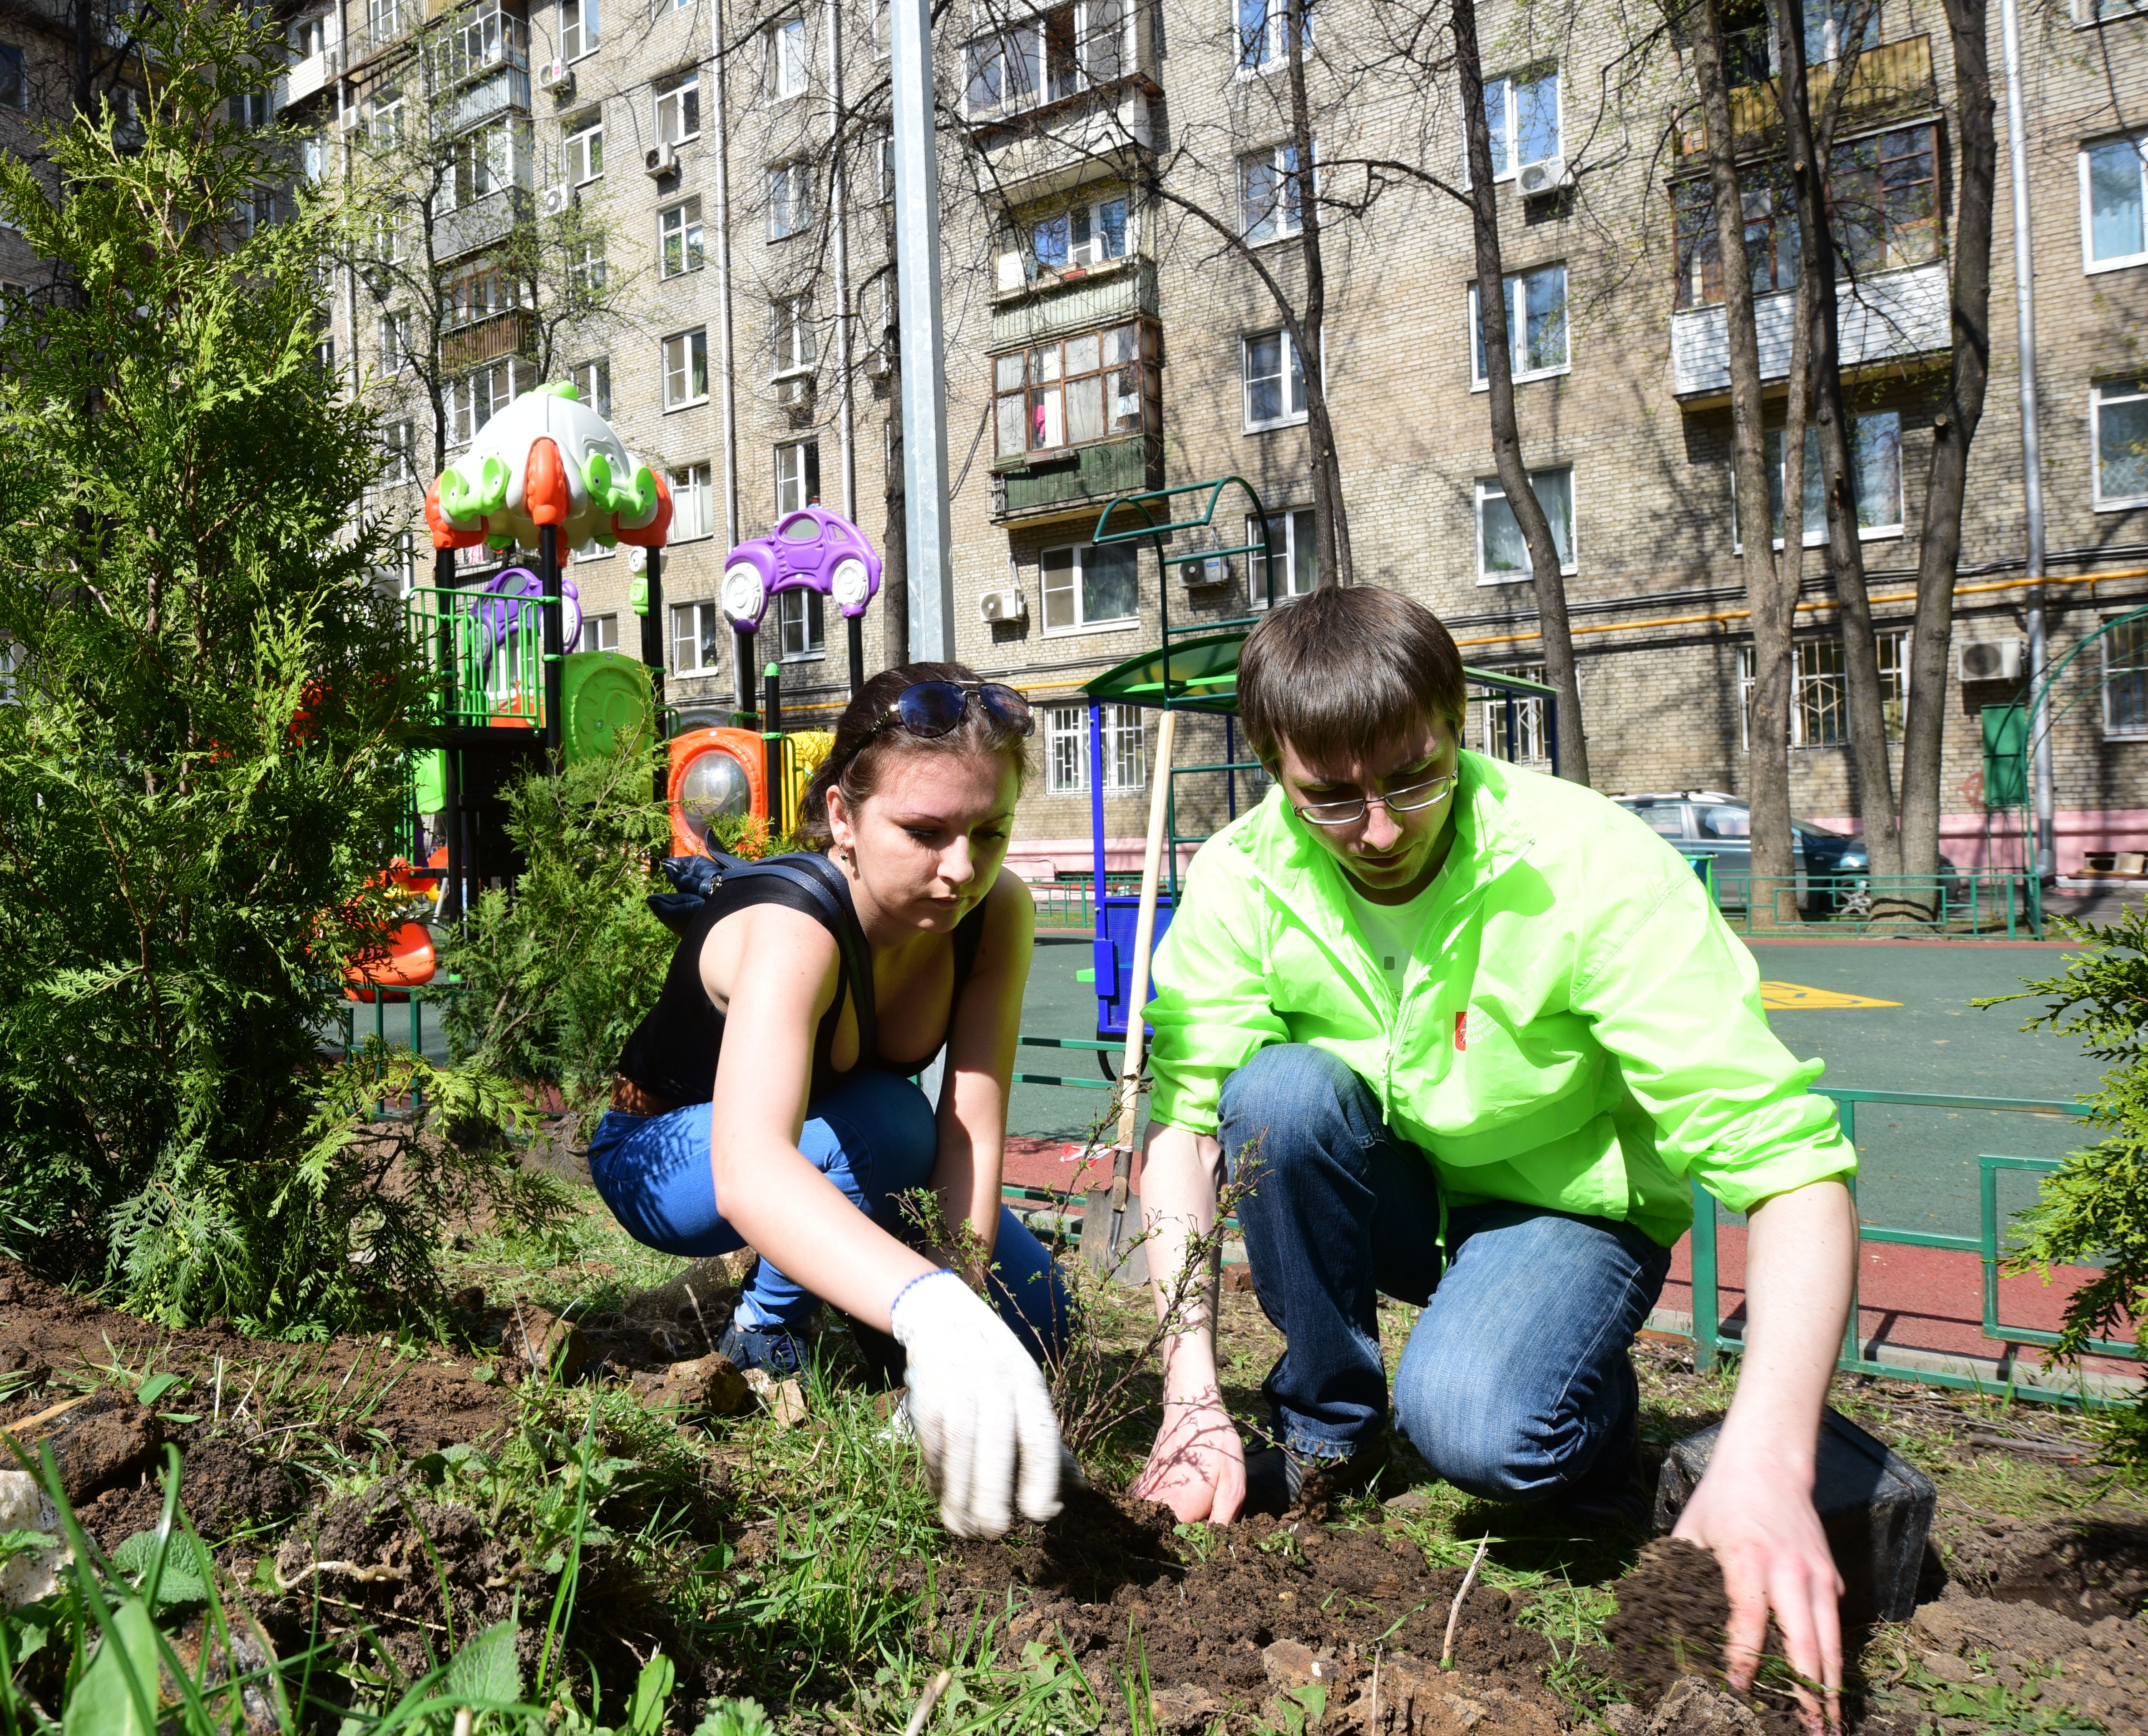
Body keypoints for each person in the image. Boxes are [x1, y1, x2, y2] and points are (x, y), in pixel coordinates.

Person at [1130, 588, 1858, 1725]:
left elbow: (1787, 1161)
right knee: (1274, 1090)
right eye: (1329, 797)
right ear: (1273, 764)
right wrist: (1188, 1397)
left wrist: (1768, 1454)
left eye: (1412, 778)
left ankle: (1580, 1407)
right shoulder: (1243, 873)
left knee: (1479, 1425)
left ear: (1458, 720)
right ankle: (1330, 1435)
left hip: (1558, 1204)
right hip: (1398, 1184)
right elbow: (1178, 1126)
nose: (1378, 828)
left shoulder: (1588, 865)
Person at [593, 661, 1069, 1538]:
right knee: (887, 1121)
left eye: (990, 832)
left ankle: (882, 1347)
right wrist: (926, 1310)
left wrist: (961, 1296)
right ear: (844, 817)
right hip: (666, 1157)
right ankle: (765, 1333)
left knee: (1042, 1320)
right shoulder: (792, 923)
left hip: (840, 1146)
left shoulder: (995, 912)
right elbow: (749, 1169)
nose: (962, 869)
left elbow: (967, 1127)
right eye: (924, 831)